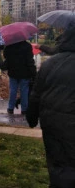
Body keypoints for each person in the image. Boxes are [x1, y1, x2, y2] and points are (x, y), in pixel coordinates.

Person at [26, 25, 75, 188]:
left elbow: (35, 94)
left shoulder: (50, 64)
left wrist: (31, 118)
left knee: (58, 163)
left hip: (52, 124)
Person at [2, 40, 36, 114]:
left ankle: (10, 108)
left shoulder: (9, 46)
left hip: (13, 72)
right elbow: (30, 60)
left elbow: (5, 56)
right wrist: (34, 73)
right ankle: (24, 109)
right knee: (24, 91)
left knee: (13, 90)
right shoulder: (27, 46)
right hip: (25, 73)